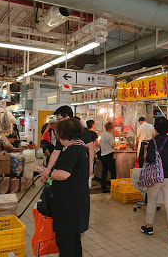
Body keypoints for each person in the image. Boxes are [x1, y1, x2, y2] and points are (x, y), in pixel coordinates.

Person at [38, 118, 91, 257]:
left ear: (64, 134)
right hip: (76, 203)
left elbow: (64, 174)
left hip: (69, 206)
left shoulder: (72, 151)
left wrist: (48, 172)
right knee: (73, 241)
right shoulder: (80, 149)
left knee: (66, 242)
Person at [140, 117, 168, 247]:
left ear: (156, 129)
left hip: (156, 177)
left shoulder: (153, 142)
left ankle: (149, 227)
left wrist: (146, 154)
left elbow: (151, 158)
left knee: (152, 202)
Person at [41, 106, 95, 184]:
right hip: (67, 167)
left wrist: (90, 166)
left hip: (81, 167)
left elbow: (91, 148)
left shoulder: (82, 130)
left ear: (67, 118)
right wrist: (48, 170)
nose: (58, 122)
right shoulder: (62, 132)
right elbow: (56, 152)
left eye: (59, 119)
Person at [99, 122, 117, 193]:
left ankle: (103, 187)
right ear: (111, 128)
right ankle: (113, 187)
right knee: (113, 172)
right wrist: (115, 144)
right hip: (109, 155)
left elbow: (100, 144)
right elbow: (113, 145)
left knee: (104, 172)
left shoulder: (103, 134)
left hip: (103, 155)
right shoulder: (110, 136)